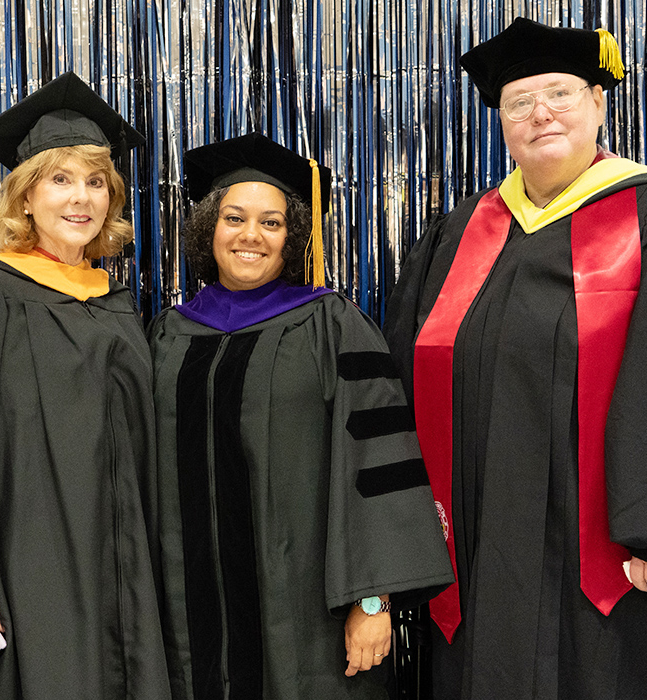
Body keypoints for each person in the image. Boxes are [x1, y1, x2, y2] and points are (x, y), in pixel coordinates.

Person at [383, 18, 647, 699]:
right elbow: (404, 384)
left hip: (623, 568)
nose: (540, 113)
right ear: (501, 123)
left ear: (598, 103)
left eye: (560, 93)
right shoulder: (457, 236)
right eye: (519, 102)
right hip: (480, 552)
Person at [149, 132, 454, 700]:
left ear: (291, 238)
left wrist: (373, 601)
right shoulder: (169, 334)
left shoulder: (331, 325)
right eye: (234, 218)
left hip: (309, 615)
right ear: (208, 229)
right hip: (188, 613)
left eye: (271, 223)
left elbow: (378, 464)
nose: (251, 235)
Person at [0, 71, 171, 699]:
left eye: (96, 182)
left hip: (126, 558)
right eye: (60, 179)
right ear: (25, 196)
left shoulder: (116, 302)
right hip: (32, 560)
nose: (81, 198)